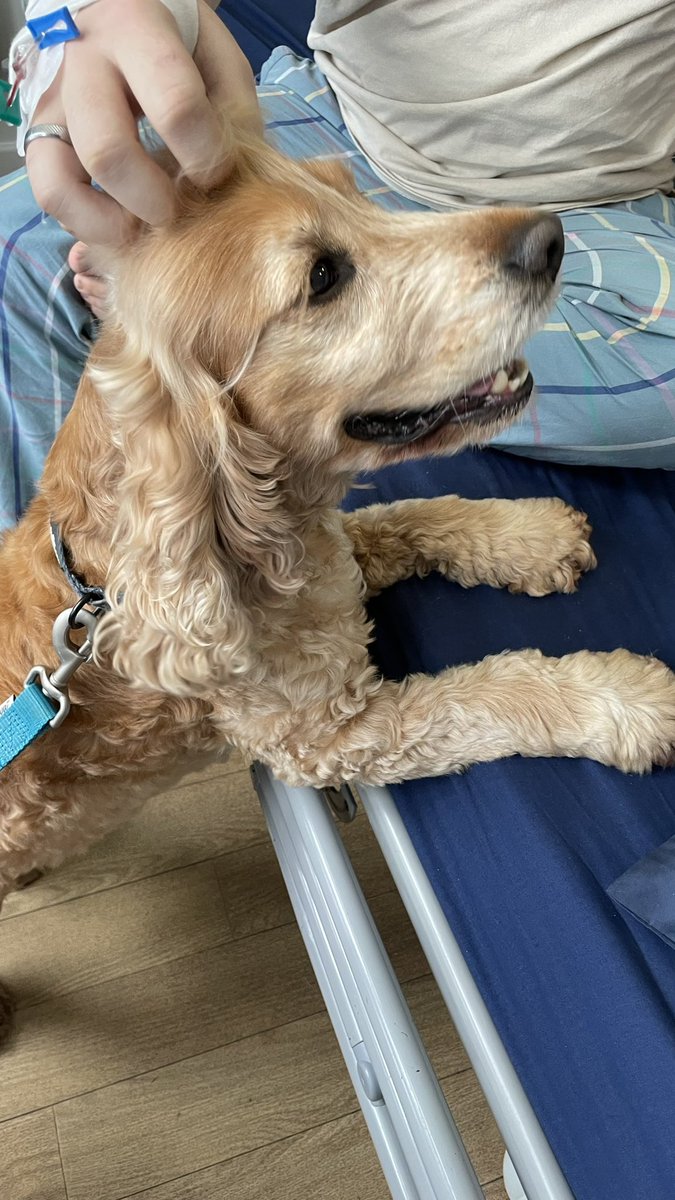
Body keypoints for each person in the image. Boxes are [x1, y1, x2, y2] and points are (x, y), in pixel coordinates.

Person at [1, 0, 674, 531]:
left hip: (600, 200)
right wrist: (83, 13)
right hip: (332, 130)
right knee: (17, 251)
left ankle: (247, 382)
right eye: (321, 282)